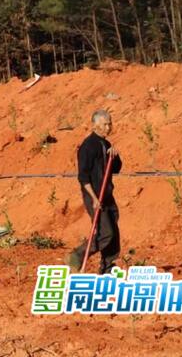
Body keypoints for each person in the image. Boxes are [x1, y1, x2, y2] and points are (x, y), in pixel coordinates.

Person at [67, 109, 123, 273]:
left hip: (107, 195)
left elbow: (116, 169)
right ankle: (77, 255)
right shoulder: (88, 146)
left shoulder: (106, 145)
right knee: (106, 233)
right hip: (94, 196)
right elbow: (83, 177)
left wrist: (115, 156)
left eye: (109, 123)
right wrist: (94, 198)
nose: (108, 127)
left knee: (114, 232)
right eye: (105, 124)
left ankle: (108, 267)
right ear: (95, 125)